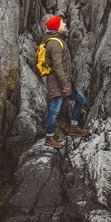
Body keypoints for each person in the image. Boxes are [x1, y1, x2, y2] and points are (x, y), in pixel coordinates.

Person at [42, 15, 89, 149]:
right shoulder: (55, 43)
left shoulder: (58, 40)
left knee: (80, 99)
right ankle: (49, 137)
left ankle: (73, 127)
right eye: (62, 22)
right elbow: (57, 66)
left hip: (65, 83)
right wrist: (64, 86)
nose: (64, 23)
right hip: (59, 84)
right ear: (56, 27)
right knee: (54, 110)